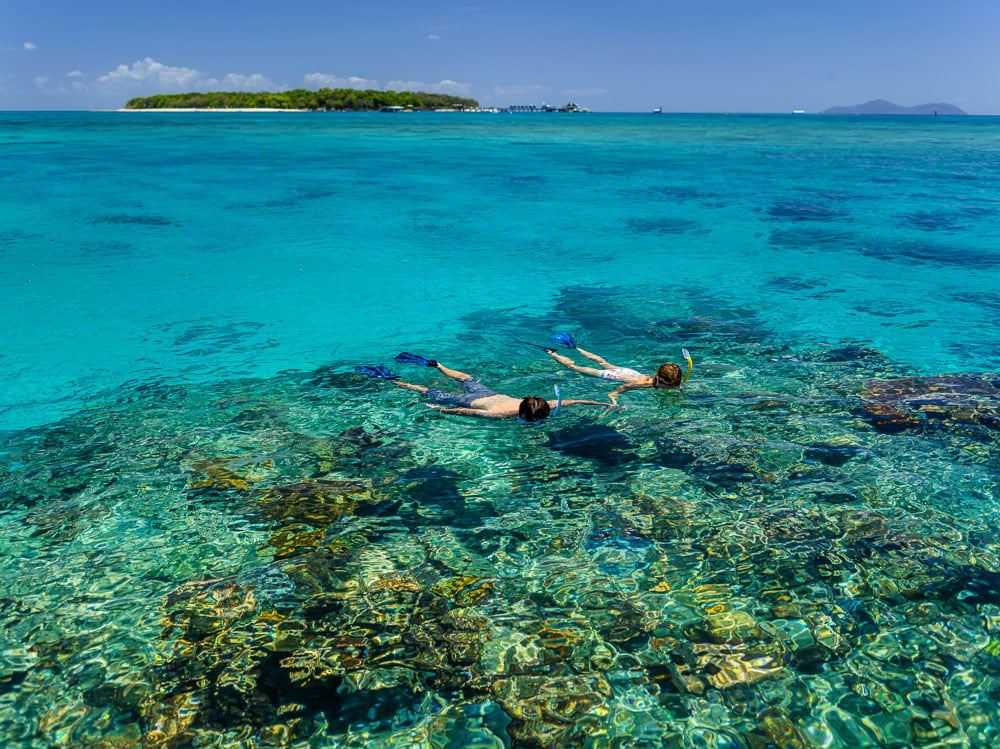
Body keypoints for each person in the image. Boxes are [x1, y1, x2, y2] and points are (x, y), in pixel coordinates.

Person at [358, 352, 612, 422]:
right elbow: (466, 412)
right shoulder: (500, 414)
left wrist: (606, 404)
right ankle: (390, 380)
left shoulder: (547, 405)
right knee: (423, 390)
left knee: (466, 378)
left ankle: (435, 364)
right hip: (471, 402)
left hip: (488, 394)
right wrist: (439, 409)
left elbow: (577, 401)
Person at [543, 341, 690, 405]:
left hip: (628, 372)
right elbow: (615, 391)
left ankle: (575, 348)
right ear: (662, 380)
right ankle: (552, 353)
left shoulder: (663, 381)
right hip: (614, 376)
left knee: (602, 361)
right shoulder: (641, 384)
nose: (673, 387)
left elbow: (675, 386)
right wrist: (614, 401)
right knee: (575, 368)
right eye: (670, 385)